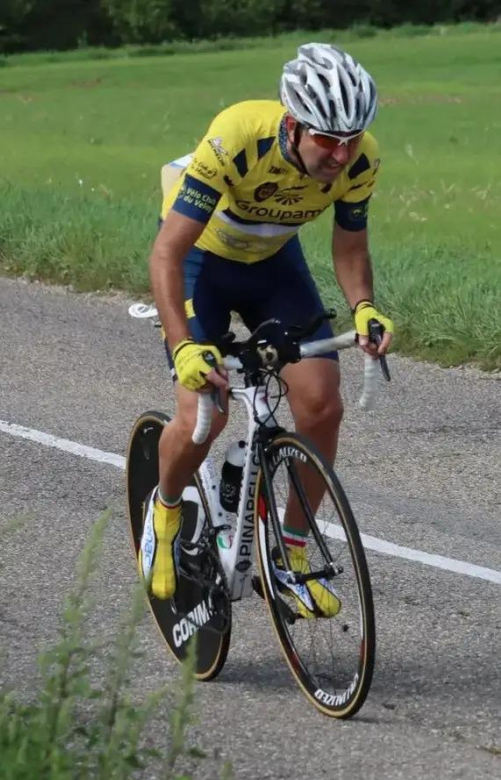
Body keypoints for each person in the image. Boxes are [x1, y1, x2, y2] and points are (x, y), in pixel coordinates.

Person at [139, 43, 394, 616]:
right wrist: (184, 346)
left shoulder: (361, 160)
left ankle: (291, 555)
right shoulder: (237, 136)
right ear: (292, 123)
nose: (341, 154)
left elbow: (351, 247)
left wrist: (363, 308)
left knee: (322, 404)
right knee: (205, 413)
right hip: (202, 263)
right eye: (327, 139)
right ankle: (166, 511)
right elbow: (167, 254)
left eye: (352, 138)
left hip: (273, 266)